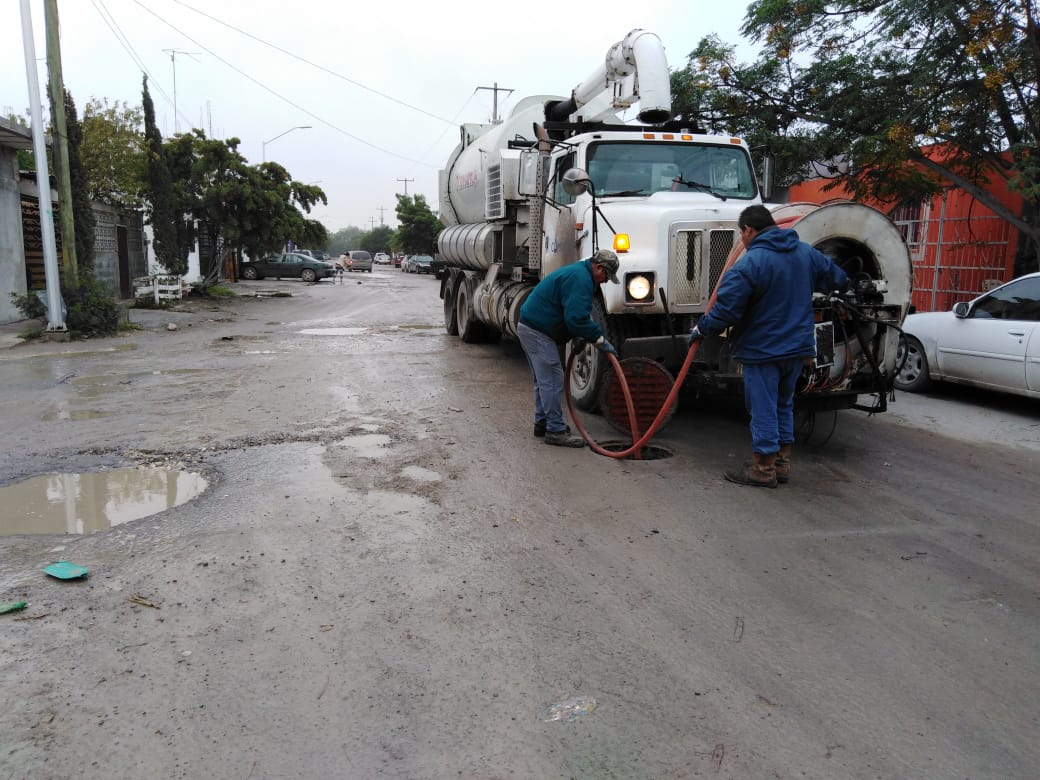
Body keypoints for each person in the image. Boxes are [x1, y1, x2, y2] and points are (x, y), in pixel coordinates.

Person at [692, 205, 848, 487]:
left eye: (742, 234)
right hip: (797, 349)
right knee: (783, 404)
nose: (743, 240)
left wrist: (702, 328)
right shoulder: (805, 253)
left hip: (762, 350)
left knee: (763, 408)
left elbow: (725, 311)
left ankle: (763, 469)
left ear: (748, 231)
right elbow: (839, 278)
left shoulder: (750, 265)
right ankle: (781, 463)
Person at [517, 249, 621, 447]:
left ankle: (543, 423)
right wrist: (599, 339)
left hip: (531, 327)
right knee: (553, 380)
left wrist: (578, 335)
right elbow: (576, 319)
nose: (606, 280)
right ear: (598, 267)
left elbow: (568, 313)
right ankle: (555, 430)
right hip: (537, 331)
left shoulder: (579, 273)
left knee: (544, 380)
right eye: (606, 275)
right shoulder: (581, 279)